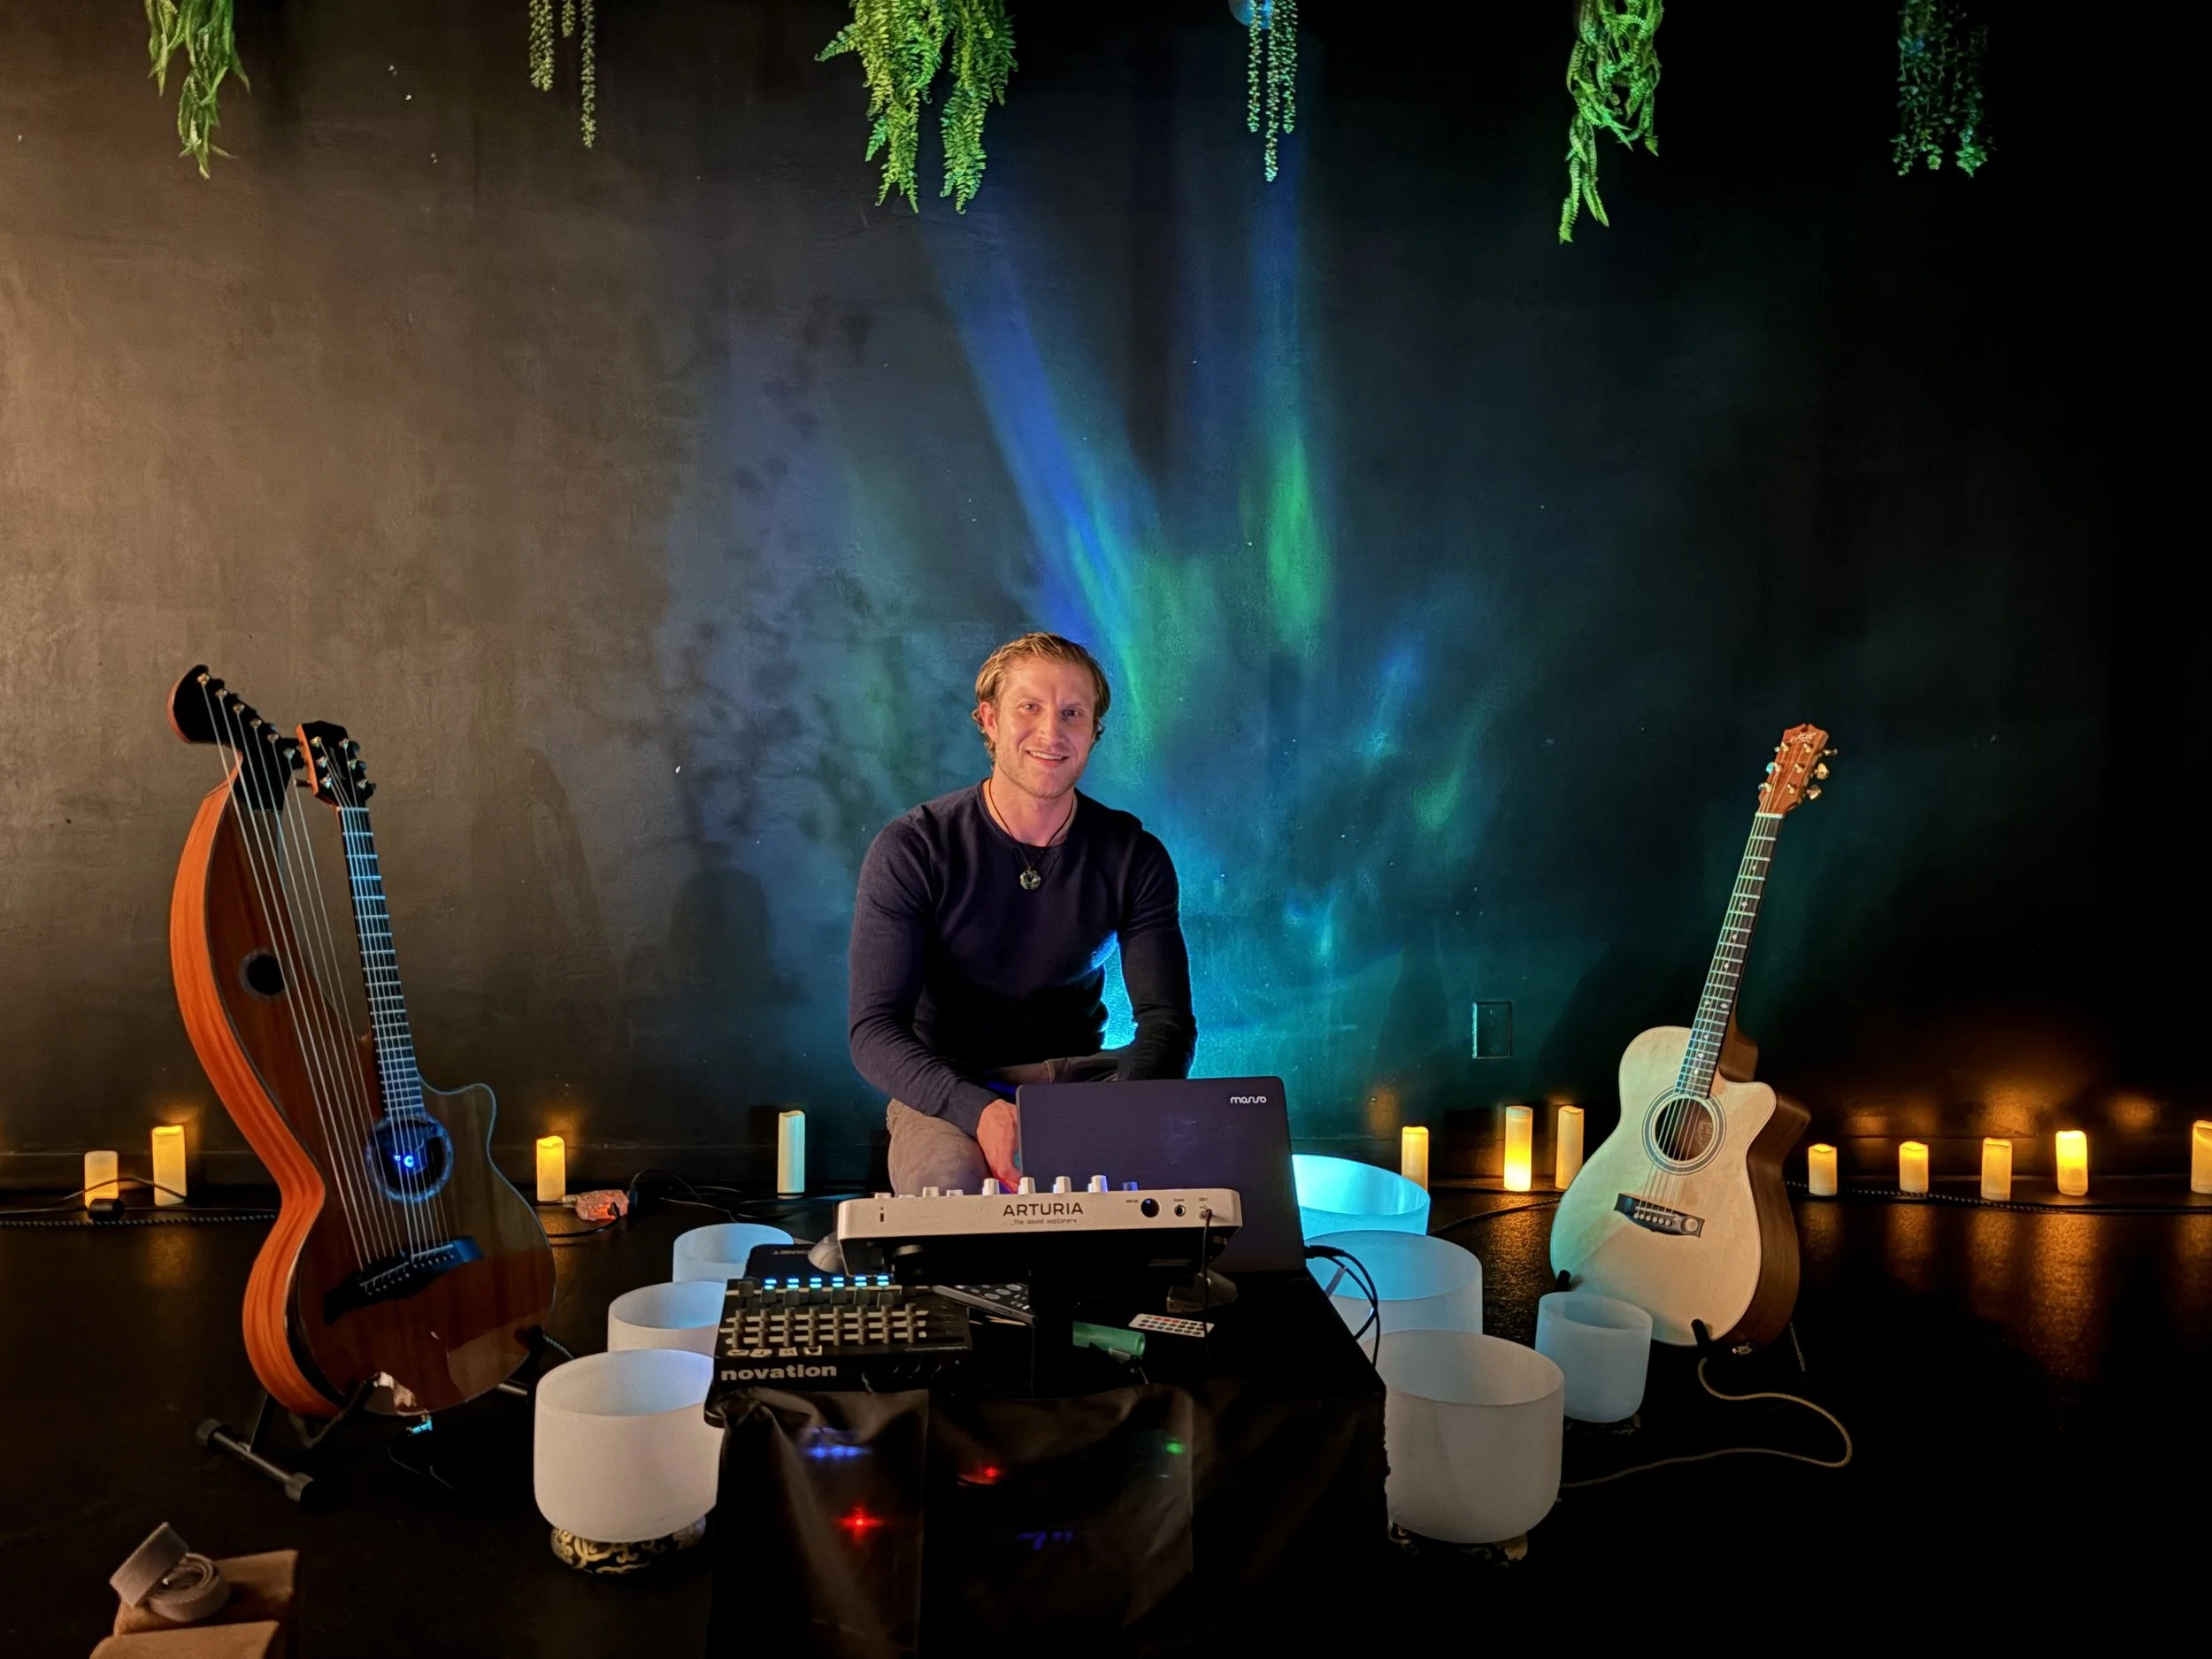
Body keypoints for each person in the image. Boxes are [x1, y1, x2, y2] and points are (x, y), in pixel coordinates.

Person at [848, 632, 1197, 1195]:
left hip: (1081, 1077)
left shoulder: (1134, 855)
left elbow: (1167, 1021)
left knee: (1165, 1190)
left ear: (1094, 733)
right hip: (947, 1085)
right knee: (955, 1199)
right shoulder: (914, 847)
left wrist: (1121, 1116)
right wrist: (979, 1111)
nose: (1051, 732)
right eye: (1028, 708)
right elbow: (873, 1030)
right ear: (989, 720)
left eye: (1072, 713)